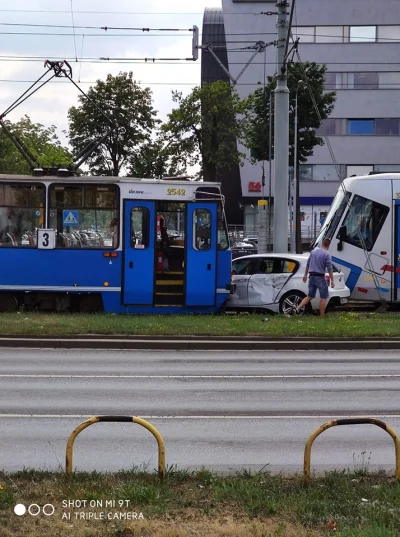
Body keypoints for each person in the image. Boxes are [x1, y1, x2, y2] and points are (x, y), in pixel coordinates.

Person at [294, 238, 335, 317]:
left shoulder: (313, 252)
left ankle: (298, 308)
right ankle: (322, 317)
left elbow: (308, 264)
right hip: (319, 277)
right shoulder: (327, 254)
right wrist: (332, 280)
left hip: (311, 276)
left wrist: (305, 275)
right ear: (328, 246)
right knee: (323, 297)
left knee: (310, 296)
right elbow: (330, 269)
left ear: (322, 243)